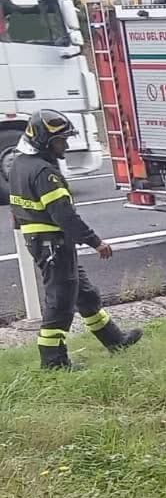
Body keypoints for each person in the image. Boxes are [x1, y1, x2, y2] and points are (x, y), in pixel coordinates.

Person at [6, 109, 141, 370]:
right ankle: (54, 362)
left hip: (46, 243)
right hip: (53, 244)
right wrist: (96, 242)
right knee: (61, 303)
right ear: (44, 140)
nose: (65, 145)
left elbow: (17, 210)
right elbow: (65, 217)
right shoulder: (45, 173)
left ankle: (115, 340)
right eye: (60, 140)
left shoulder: (19, 165)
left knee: (85, 294)